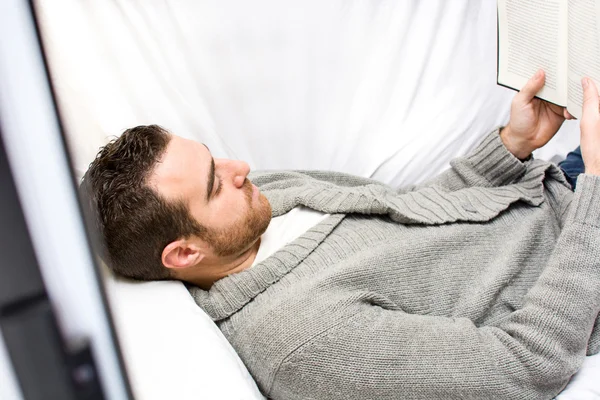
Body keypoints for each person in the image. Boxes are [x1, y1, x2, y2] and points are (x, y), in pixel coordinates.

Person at [80, 71, 600, 400]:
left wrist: (510, 147)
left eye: (215, 157)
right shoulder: (308, 344)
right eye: (216, 183)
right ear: (185, 252)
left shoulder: (261, 205)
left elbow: (412, 212)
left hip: (561, 187)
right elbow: (523, 364)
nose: (241, 167)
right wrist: (593, 193)